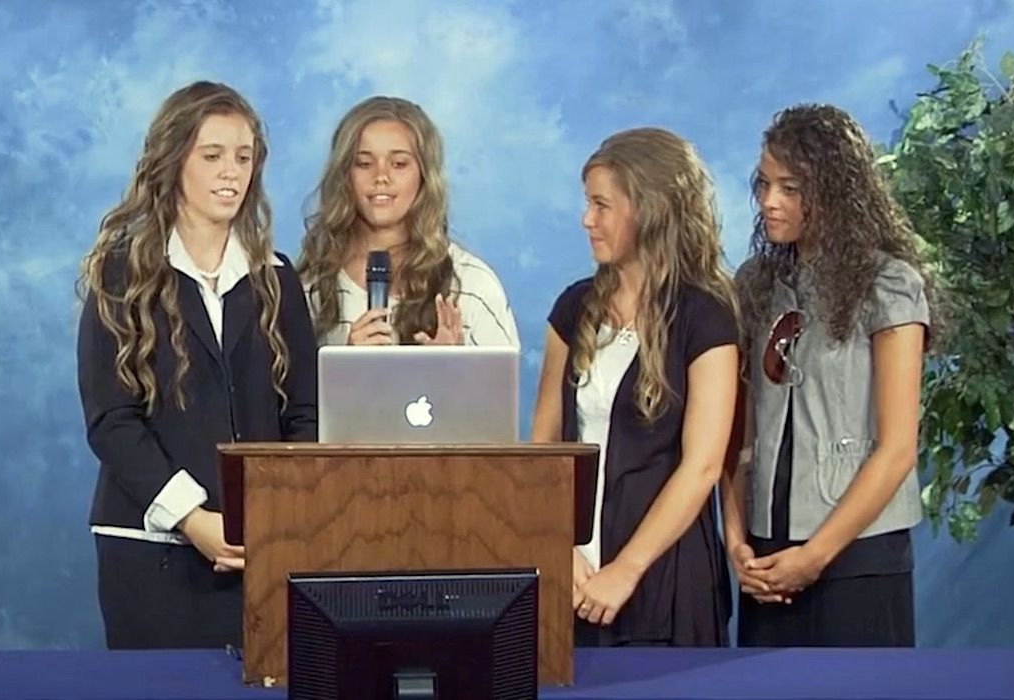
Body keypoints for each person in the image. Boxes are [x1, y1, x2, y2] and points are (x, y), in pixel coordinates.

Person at [76, 81, 317, 649]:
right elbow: (112, 421)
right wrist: (194, 519)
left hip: (265, 554)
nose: (231, 172)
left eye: (243, 156)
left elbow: (304, 415)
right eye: (212, 156)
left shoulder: (277, 280)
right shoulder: (120, 277)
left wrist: (277, 516)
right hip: (149, 556)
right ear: (173, 160)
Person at [723, 103, 940, 647]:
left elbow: (896, 450)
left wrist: (815, 557)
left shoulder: (889, 285)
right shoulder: (756, 284)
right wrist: (737, 542)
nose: (770, 202)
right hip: (767, 557)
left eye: (791, 188)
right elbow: (737, 435)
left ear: (836, 192)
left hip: (860, 559)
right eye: (765, 184)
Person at [531, 127, 741, 646]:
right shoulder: (573, 309)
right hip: (574, 576)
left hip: (666, 580)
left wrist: (626, 570)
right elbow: (541, 448)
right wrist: (559, 547)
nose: (587, 220)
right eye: (587, 204)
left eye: (602, 205)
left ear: (647, 210)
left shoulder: (704, 319)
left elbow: (704, 465)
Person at [296, 95, 519, 348]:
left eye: (399, 164)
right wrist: (346, 366)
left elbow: (502, 385)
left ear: (424, 176)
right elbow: (283, 386)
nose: (381, 176)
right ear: (344, 175)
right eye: (364, 163)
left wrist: (454, 370)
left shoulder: (472, 285)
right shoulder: (311, 286)